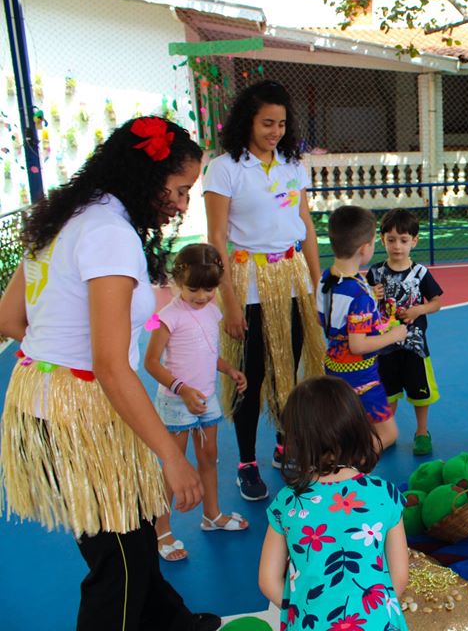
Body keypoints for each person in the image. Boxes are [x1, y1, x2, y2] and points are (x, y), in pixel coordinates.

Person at [0, 117, 220, 630]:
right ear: (148, 177)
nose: (184, 204)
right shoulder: (110, 234)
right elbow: (108, 364)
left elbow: (10, 319)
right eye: (181, 190)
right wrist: (172, 457)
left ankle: (172, 623)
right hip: (78, 406)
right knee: (117, 564)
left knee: (136, 531)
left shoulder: (63, 216)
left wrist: (59, 334)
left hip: (42, 398)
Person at [204, 80, 326, 502]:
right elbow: (217, 238)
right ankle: (246, 462)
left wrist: (314, 282)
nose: (275, 131)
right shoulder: (225, 168)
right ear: (247, 122)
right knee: (249, 377)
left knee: (288, 368)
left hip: (291, 277)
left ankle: (283, 444)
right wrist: (231, 302)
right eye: (266, 123)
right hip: (249, 281)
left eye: (281, 123)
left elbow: (305, 225)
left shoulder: (293, 164)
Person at [258, 376, 409, 631]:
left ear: (297, 441)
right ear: (357, 428)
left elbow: (268, 580)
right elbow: (399, 576)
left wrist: (302, 611)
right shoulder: (384, 494)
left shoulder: (287, 501)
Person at [144, 243, 250, 562]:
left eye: (209, 288)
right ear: (178, 280)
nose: (202, 296)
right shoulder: (167, 316)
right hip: (178, 402)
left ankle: (212, 515)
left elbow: (207, 351)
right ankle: (161, 530)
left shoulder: (212, 308)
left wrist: (229, 369)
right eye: (194, 289)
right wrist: (183, 389)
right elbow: (151, 362)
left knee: (209, 457)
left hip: (207, 398)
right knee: (174, 465)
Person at [318, 205, 408, 450]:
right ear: (364, 248)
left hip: (332, 366)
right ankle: (349, 465)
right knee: (388, 433)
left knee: (346, 422)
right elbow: (358, 345)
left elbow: (322, 319)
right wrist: (393, 335)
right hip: (361, 374)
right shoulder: (359, 294)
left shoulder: (326, 278)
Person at [366, 208, 444, 456]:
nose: (397, 246)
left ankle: (422, 432)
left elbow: (437, 302)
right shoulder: (375, 272)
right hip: (385, 345)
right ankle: (386, 432)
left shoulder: (420, 273)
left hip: (415, 345)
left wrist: (418, 310)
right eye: (391, 240)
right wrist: (370, 295)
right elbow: (364, 306)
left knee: (420, 391)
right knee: (388, 392)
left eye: (403, 240)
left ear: (414, 241)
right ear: (382, 240)